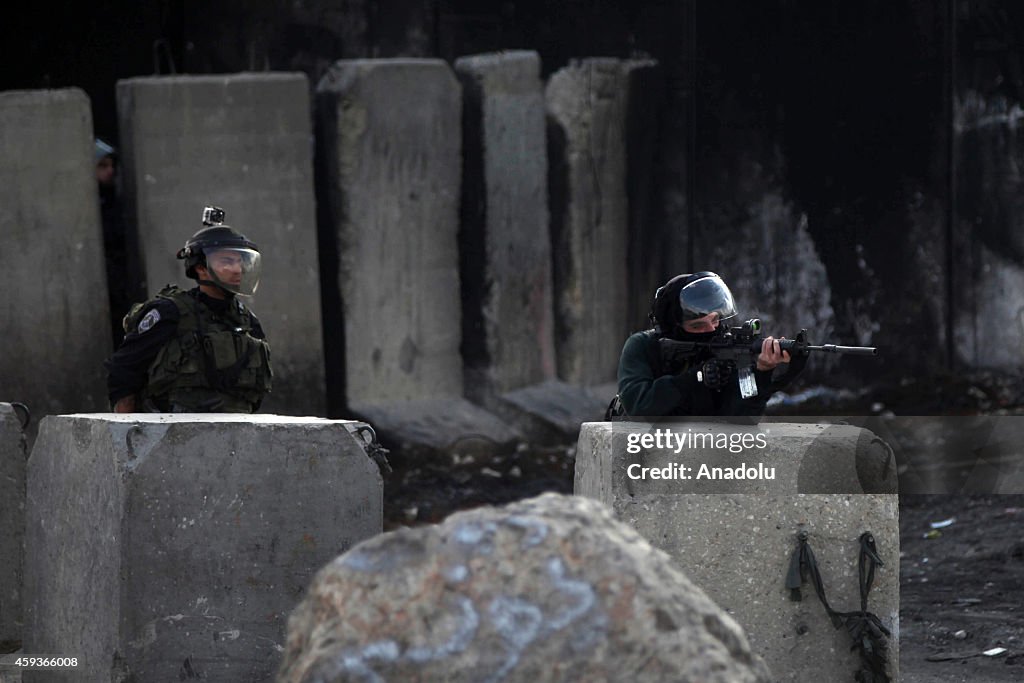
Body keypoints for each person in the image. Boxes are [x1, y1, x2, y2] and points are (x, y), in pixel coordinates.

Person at [105, 206, 272, 413]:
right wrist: (127, 432)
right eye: (226, 261)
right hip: (173, 432)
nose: (237, 269)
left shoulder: (246, 322)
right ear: (201, 268)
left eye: (240, 261)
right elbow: (124, 370)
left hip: (236, 432)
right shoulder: (170, 312)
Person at [613, 271, 805, 417]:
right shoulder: (643, 346)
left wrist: (762, 371)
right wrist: (697, 377)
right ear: (674, 327)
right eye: (698, 326)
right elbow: (638, 405)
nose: (711, 330)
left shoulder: (725, 349)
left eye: (714, 321)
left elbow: (741, 418)